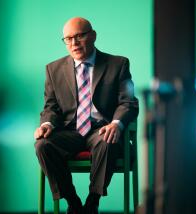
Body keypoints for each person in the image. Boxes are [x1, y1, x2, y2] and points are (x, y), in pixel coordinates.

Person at [34, 17, 138, 214]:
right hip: (69, 132)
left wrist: (117, 123)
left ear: (93, 36)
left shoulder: (118, 64)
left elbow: (129, 102)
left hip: (102, 129)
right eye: (68, 39)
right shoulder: (53, 69)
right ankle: (72, 202)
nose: (74, 43)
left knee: (107, 140)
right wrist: (47, 124)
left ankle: (92, 202)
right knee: (42, 145)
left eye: (79, 36)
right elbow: (51, 107)